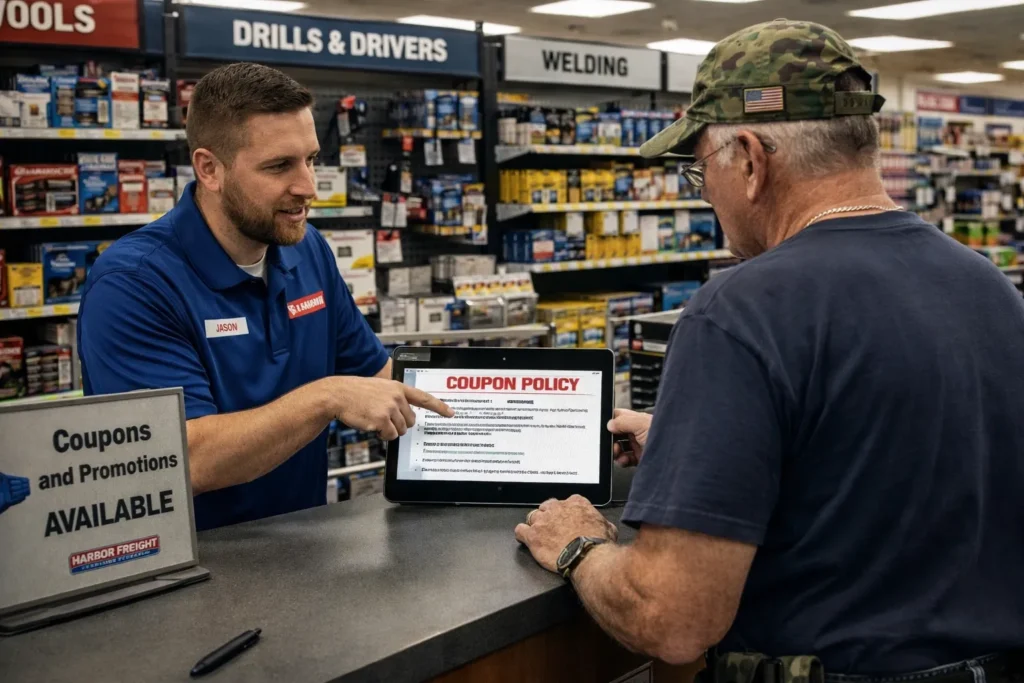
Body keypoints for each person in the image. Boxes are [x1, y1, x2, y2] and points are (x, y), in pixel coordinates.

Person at [515, 18, 1024, 681]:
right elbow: (884, 461)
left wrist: (578, 544)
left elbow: (673, 618)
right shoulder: (987, 285)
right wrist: (695, 448)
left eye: (701, 169)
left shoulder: (742, 310)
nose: (707, 198)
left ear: (751, 159)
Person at [78, 63, 452, 531]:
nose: (308, 188)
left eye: (311, 159)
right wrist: (327, 397)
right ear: (210, 169)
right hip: (185, 572)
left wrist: (520, 420)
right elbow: (184, 458)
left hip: (303, 554)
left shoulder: (306, 248)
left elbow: (376, 372)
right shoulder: (133, 284)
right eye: (279, 166)